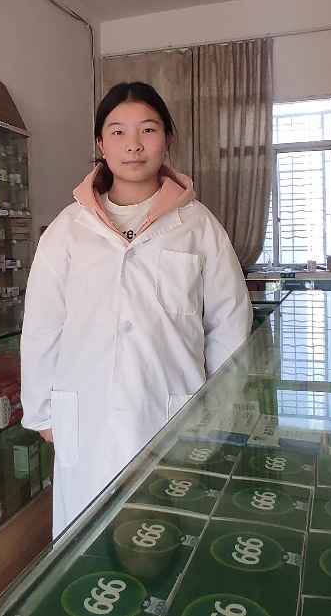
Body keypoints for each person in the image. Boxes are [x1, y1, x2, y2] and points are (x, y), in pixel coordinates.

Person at [20, 81, 253, 538]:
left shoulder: (198, 226)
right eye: (118, 132)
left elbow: (229, 323)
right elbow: (43, 324)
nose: (133, 144)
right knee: (84, 547)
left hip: (173, 414)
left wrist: (217, 411)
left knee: (167, 541)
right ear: (100, 143)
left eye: (147, 129)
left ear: (167, 138)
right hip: (85, 415)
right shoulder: (68, 229)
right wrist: (44, 412)